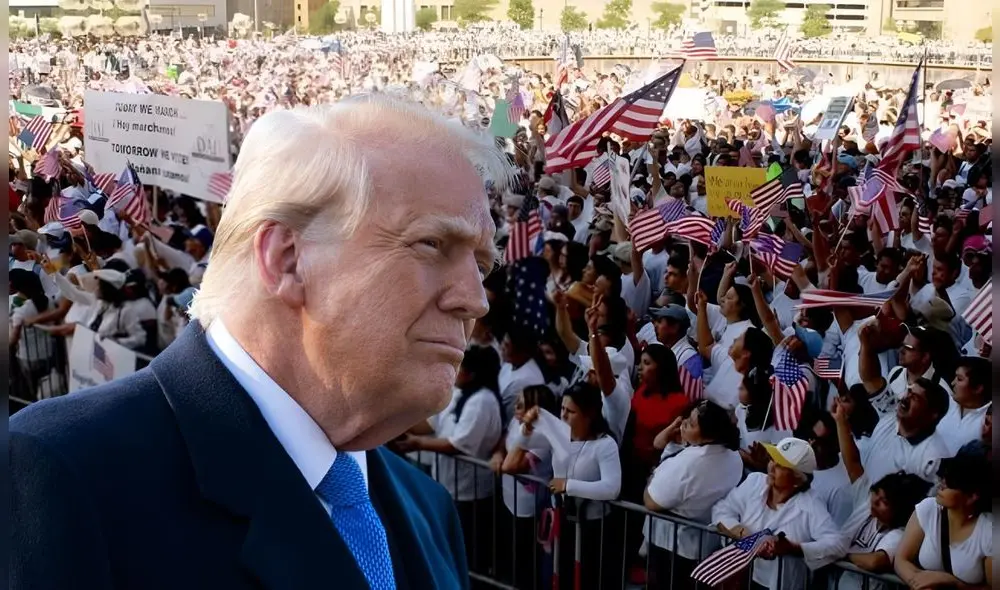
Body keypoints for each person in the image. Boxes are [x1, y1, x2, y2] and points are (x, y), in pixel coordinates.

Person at [11, 96, 512, 589]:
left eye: (482, 265)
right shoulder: (56, 477)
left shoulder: (427, 507)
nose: (474, 299)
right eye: (431, 244)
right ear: (288, 258)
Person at [894, 452, 992, 590]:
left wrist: (954, 583)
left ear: (972, 496)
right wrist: (919, 583)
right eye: (943, 478)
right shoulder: (928, 509)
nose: (941, 485)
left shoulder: (988, 530)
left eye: (951, 483)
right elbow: (901, 560)